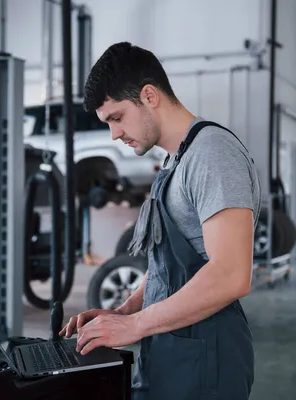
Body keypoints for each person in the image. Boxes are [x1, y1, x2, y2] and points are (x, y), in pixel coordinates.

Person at [59, 42, 261, 400]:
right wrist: (123, 312)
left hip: (206, 360)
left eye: (117, 118)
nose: (114, 135)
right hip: (171, 351)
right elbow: (168, 265)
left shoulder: (211, 153)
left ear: (149, 95)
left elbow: (231, 275)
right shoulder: (174, 161)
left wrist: (134, 325)